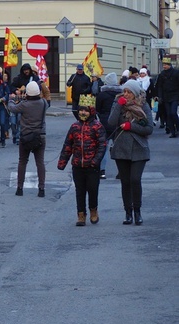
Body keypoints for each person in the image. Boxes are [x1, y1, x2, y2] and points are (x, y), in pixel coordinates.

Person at [108, 79, 153, 225]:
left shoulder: (143, 105)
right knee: (125, 182)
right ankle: (128, 213)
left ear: (134, 93)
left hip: (139, 148)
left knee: (135, 179)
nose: (126, 94)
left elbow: (149, 128)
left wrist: (130, 127)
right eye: (124, 91)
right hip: (121, 148)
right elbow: (110, 122)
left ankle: (137, 211)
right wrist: (118, 106)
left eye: (129, 92)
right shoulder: (118, 104)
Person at [57, 95, 107, 226]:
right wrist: (62, 162)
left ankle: (93, 210)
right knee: (79, 190)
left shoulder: (97, 126)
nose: (83, 113)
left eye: (85, 110)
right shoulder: (74, 126)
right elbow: (68, 145)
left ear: (91, 111)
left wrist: (96, 160)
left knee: (92, 189)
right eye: (81, 110)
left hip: (92, 165)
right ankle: (81, 214)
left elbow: (102, 145)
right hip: (78, 164)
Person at [9, 81, 48, 197]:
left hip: (26, 136)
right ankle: (41, 189)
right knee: (40, 162)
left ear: (27, 93)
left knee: (22, 162)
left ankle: (19, 188)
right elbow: (47, 95)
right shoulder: (44, 103)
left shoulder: (24, 105)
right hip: (40, 135)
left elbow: (12, 108)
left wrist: (11, 100)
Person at [96, 72, 122, 179]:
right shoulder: (121, 95)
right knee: (119, 148)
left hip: (104, 123)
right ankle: (121, 171)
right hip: (118, 124)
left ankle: (102, 171)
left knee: (103, 148)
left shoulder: (101, 94)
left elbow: (97, 109)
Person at [9, 63, 40, 144]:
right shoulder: (19, 78)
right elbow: (11, 87)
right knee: (12, 122)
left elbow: (38, 87)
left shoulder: (34, 78)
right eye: (24, 70)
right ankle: (15, 134)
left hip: (26, 101)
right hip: (16, 100)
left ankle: (19, 137)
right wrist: (16, 90)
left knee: (20, 120)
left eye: (27, 70)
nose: (26, 71)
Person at [154, 56, 179, 138]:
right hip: (166, 97)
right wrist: (159, 97)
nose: (164, 66)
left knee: (173, 113)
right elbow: (159, 87)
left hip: (175, 96)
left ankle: (178, 127)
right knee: (168, 114)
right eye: (163, 65)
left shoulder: (176, 72)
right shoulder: (161, 74)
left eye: (165, 65)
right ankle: (173, 132)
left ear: (169, 65)